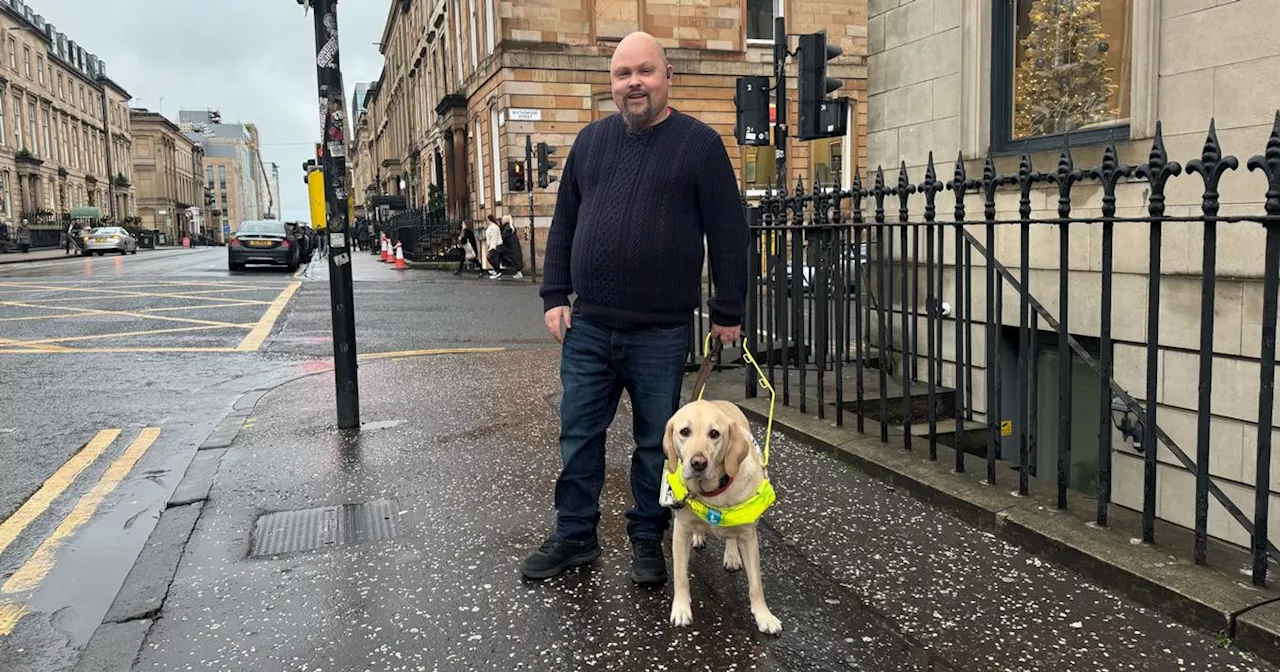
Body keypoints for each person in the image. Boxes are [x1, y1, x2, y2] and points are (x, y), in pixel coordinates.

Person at [521, 31, 748, 584]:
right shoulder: (591, 143)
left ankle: (649, 537)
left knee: (657, 444)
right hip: (591, 323)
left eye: (645, 72)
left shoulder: (699, 144)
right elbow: (566, 223)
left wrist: (727, 310)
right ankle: (574, 536)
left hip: (661, 331)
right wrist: (554, 294)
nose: (634, 83)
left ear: (668, 77)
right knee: (578, 436)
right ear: (612, 84)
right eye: (623, 75)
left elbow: (728, 231)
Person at [496, 215, 524, 280]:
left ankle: (518, 272)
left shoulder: (507, 228)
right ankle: (502, 266)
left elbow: (503, 237)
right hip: (511, 247)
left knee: (501, 253)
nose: (501, 221)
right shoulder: (509, 227)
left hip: (510, 247)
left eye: (502, 220)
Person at [483, 213, 504, 278]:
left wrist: (492, 247)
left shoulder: (494, 227)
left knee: (490, 257)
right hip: (493, 245)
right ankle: (496, 270)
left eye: (486, 219)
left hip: (495, 246)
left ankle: (498, 271)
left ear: (489, 219)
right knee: (493, 258)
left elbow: (494, 238)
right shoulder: (491, 227)